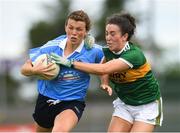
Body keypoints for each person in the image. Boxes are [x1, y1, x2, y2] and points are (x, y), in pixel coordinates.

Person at [50, 12, 163, 132]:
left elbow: (104, 69)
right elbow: (103, 65)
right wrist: (104, 82)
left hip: (147, 105)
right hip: (125, 103)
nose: (108, 37)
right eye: (107, 33)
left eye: (113, 34)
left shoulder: (134, 55)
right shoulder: (108, 51)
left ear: (124, 36)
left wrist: (70, 63)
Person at [20, 10, 105, 132]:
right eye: (71, 28)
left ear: (86, 31)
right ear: (66, 27)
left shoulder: (94, 50)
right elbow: (24, 69)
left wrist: (104, 81)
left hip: (72, 102)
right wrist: (34, 70)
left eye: (79, 29)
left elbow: (108, 64)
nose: (74, 33)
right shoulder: (51, 47)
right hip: (46, 99)